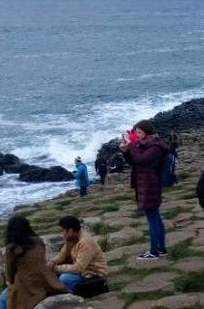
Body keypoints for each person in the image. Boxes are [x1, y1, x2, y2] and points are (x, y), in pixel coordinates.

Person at [0, 215, 65, 309]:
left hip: (28, 286)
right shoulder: (38, 242)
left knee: (4, 297)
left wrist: (10, 282)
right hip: (46, 282)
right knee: (14, 292)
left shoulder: (12, 249)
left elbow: (10, 273)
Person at [120, 119, 171, 260]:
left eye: (139, 132)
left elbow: (141, 160)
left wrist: (131, 147)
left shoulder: (155, 146)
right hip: (145, 183)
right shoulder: (144, 144)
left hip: (150, 184)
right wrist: (125, 152)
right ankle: (161, 248)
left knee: (152, 218)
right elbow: (134, 162)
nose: (136, 135)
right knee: (155, 216)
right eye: (136, 132)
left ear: (147, 132)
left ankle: (154, 251)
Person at [49, 215, 109, 292]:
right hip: (83, 270)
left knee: (64, 278)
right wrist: (52, 262)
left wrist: (56, 268)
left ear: (70, 231)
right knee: (55, 273)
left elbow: (79, 267)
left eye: (63, 230)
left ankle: (72, 292)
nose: (62, 234)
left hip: (94, 273)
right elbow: (62, 255)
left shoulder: (85, 242)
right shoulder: (71, 238)